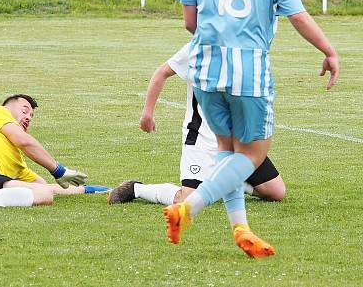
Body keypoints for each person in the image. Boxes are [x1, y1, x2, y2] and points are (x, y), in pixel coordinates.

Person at [164, 0, 338, 258]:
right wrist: (328, 50)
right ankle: (188, 207)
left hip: (205, 71)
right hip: (248, 71)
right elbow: (297, 16)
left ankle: (241, 229)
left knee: (227, 151)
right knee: (254, 154)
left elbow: (190, 22)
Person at [108, 42, 285, 206]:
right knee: (188, 200)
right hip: (202, 137)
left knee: (276, 192)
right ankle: (135, 189)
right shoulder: (198, 49)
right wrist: (147, 113)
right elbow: (162, 72)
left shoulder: (247, 50)